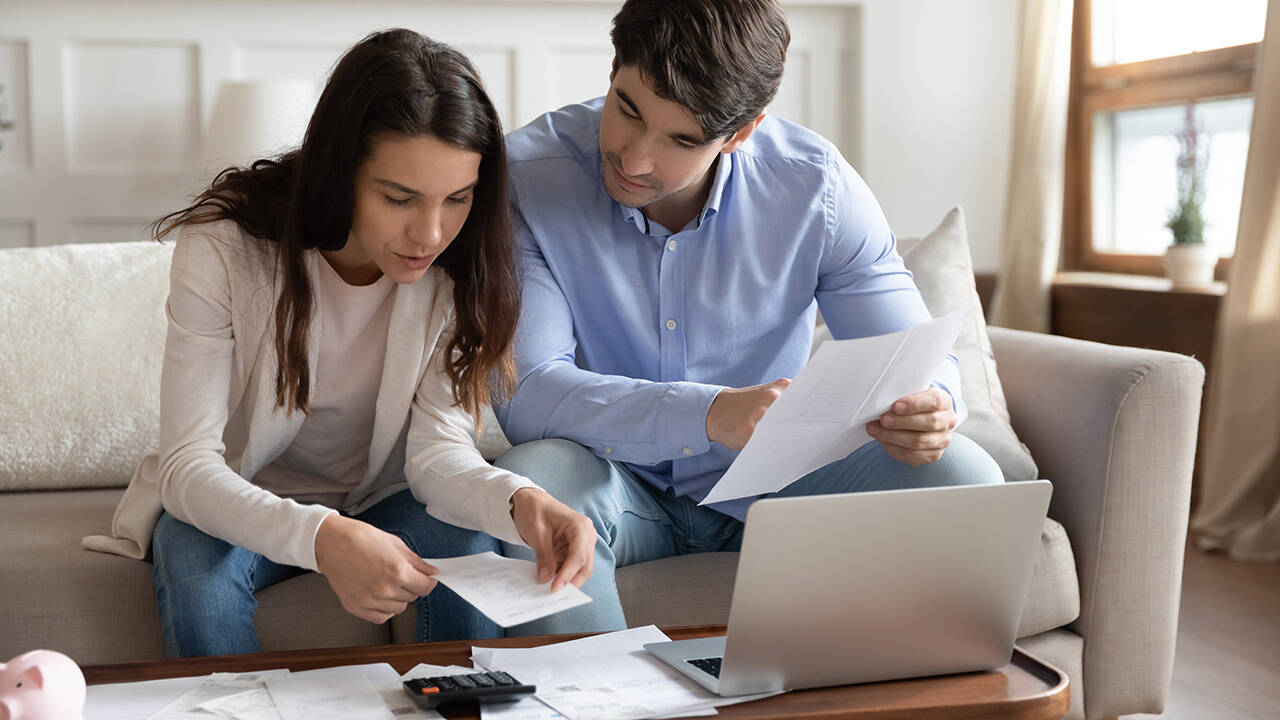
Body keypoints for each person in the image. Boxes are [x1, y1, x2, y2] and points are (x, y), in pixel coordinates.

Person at [80, 29, 595, 658]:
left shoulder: (462, 268)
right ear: (339, 170)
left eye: (457, 198)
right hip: (234, 498)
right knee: (195, 564)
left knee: (468, 545)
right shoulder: (223, 249)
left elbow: (439, 454)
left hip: (382, 501)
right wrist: (323, 535)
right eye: (398, 198)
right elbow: (190, 466)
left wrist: (522, 501)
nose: (430, 232)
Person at [494, 0, 1004, 635]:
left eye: (682, 140)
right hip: (611, 484)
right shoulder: (525, 178)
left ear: (741, 132)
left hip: (778, 486)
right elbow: (530, 392)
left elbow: (912, 356)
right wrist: (709, 414)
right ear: (613, 69)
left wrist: (932, 404)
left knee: (963, 474)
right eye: (627, 110)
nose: (634, 159)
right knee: (533, 481)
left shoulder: (816, 189)